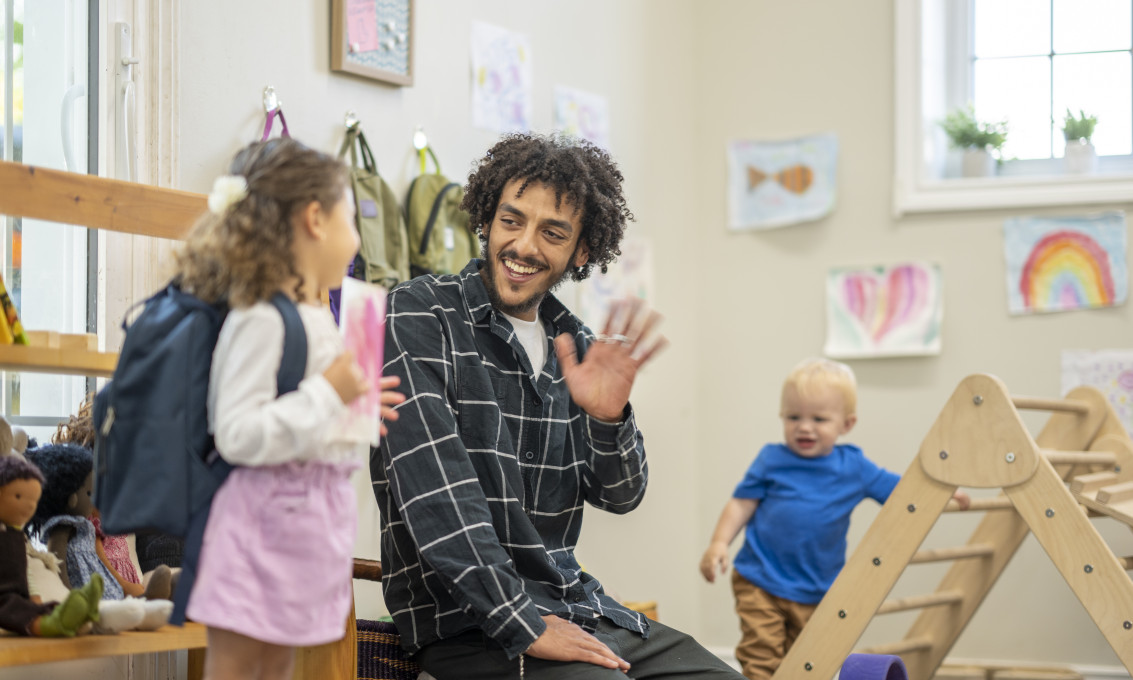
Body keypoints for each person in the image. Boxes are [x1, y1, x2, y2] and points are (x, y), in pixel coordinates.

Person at [372, 132, 745, 679]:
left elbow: (621, 496)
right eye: (511, 220)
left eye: (552, 233)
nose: (523, 246)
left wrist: (609, 419)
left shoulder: (577, 345)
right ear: (486, 220)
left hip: (576, 607)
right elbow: (437, 497)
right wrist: (524, 622)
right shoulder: (419, 314)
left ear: (581, 250)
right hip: (468, 623)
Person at [174, 137, 405, 680]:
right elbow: (238, 433)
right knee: (238, 666)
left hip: (311, 528)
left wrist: (351, 415)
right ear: (315, 220)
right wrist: (328, 392)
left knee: (279, 665)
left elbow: (304, 421)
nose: (355, 239)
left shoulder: (317, 314)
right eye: (352, 218)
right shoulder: (260, 317)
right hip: (257, 529)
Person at [699, 358, 971, 680]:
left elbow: (901, 492)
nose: (804, 426)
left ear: (847, 424)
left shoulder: (853, 467)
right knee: (762, 656)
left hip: (818, 589)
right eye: (793, 417)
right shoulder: (772, 459)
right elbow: (741, 504)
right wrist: (719, 543)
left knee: (809, 659)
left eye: (819, 418)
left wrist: (940, 493)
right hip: (761, 579)